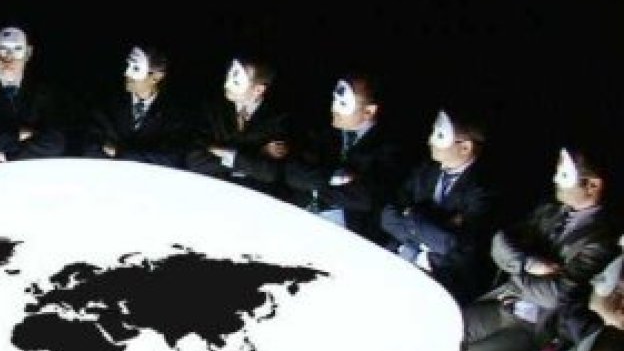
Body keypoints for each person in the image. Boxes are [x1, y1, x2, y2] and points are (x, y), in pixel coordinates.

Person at [463, 147, 618, 351]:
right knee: (448, 326)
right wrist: (528, 263)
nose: (555, 179)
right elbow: (500, 242)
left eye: (564, 175)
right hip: (504, 303)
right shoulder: (550, 210)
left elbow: (557, 295)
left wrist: (516, 268)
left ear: (593, 185)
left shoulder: (601, 239)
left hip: (536, 326)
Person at [380, 109, 499, 304]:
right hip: (402, 253)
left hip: (443, 276)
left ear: (465, 147)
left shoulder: (484, 189)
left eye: (440, 136)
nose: (430, 141)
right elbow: (388, 215)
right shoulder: (426, 169)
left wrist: (411, 215)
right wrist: (429, 225)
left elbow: (455, 246)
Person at [283, 73, 405, 240]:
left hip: (350, 234)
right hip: (303, 219)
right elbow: (292, 171)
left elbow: (365, 198)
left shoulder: (389, 148)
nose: (334, 108)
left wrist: (314, 182)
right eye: (334, 100)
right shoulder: (324, 132)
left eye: (343, 104)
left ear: (369, 111)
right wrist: (332, 179)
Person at [0, 26, 66, 165]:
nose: (9, 57)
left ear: (28, 53)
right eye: (3, 49)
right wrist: (18, 135)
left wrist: (9, 155)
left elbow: (56, 142)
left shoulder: (43, 92)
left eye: (17, 49)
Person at [185, 55, 292, 193]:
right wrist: (256, 153)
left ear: (258, 89)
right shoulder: (212, 109)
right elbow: (195, 160)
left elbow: (269, 172)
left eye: (236, 81)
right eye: (228, 77)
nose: (226, 85)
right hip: (213, 188)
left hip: (255, 195)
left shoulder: (278, 119)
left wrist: (222, 151)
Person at [81, 45, 186, 168]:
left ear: (156, 77)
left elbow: (170, 158)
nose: (126, 73)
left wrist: (121, 152)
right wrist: (143, 154)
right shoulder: (107, 104)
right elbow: (92, 147)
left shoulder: (173, 114)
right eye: (128, 65)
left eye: (136, 68)